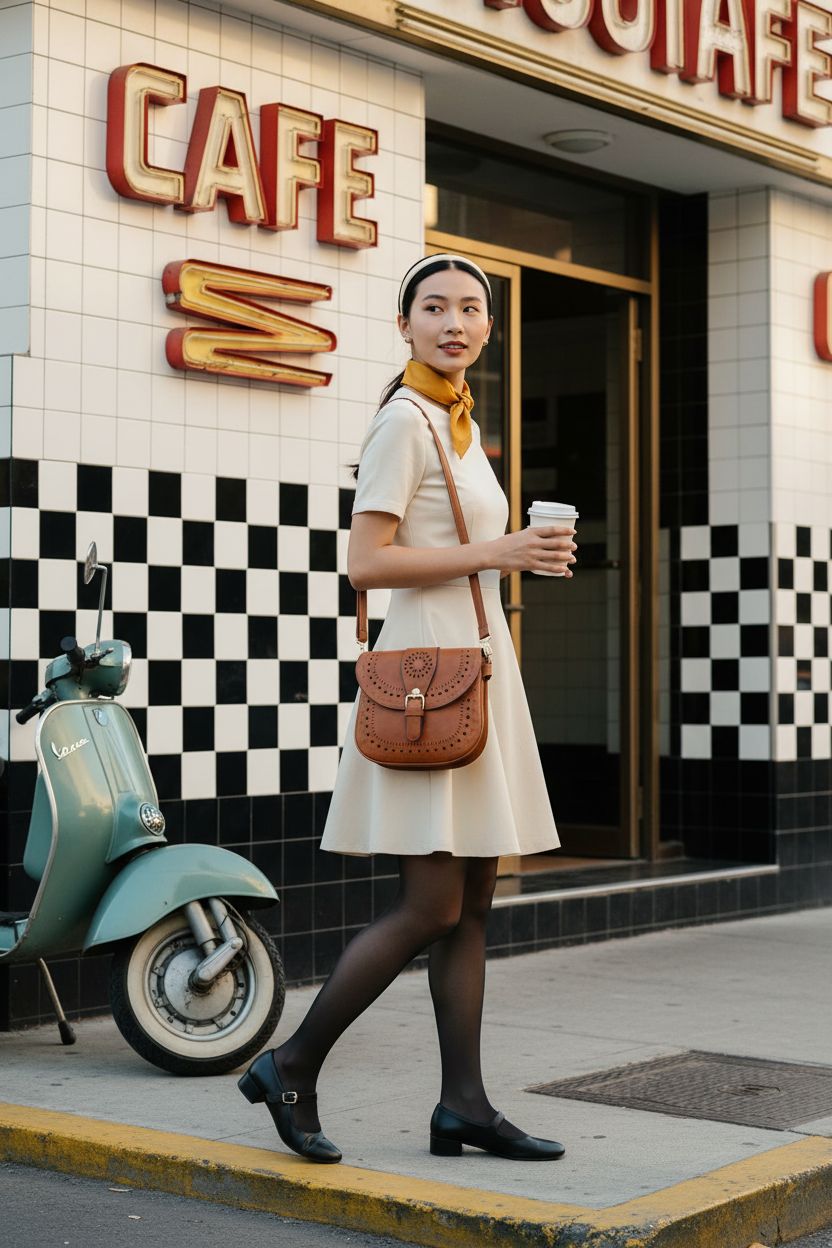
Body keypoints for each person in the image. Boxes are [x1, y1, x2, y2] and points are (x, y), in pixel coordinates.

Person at [238, 253, 577, 1165]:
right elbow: (366, 564)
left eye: (471, 309)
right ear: (405, 325)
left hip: (475, 665)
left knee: (472, 904)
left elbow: (469, 547)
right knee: (431, 905)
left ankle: (462, 1104)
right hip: (428, 681)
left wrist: (519, 556)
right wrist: (501, 549)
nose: (454, 322)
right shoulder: (404, 421)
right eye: (435, 308)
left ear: (489, 329)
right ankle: (293, 1064)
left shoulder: (461, 424)